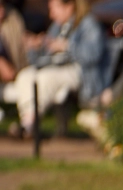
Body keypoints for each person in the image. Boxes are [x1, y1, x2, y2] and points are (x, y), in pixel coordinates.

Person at [11, 0, 104, 136]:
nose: (51, 14)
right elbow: (42, 60)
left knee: (46, 78)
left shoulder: (88, 24)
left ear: (69, 7)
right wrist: (35, 47)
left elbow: (94, 55)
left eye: (54, 9)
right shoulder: (57, 27)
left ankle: (29, 124)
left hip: (83, 73)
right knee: (25, 75)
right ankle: (27, 121)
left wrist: (66, 46)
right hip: (56, 69)